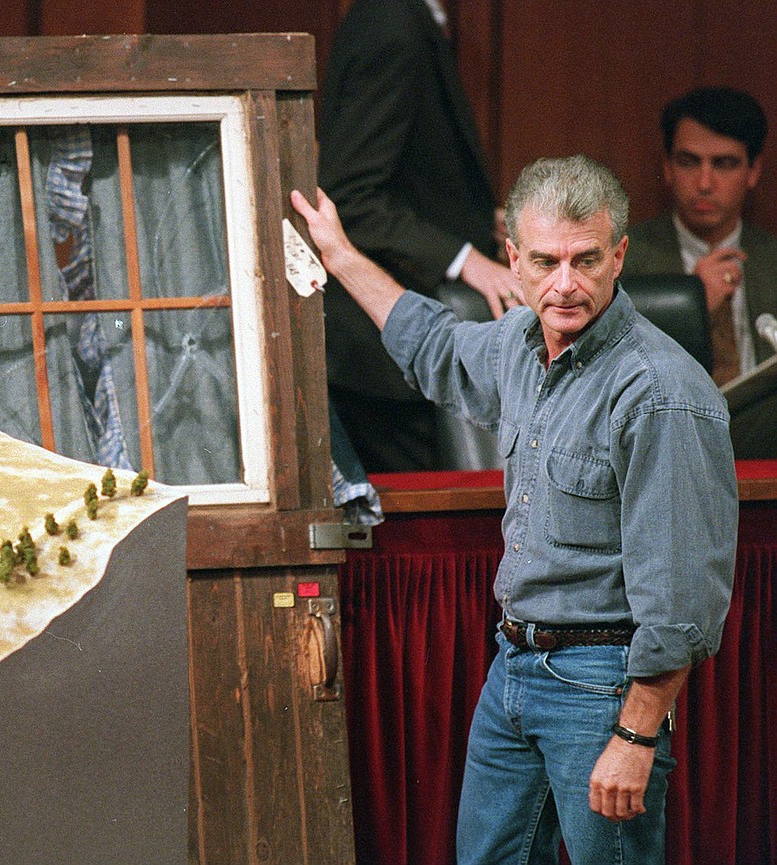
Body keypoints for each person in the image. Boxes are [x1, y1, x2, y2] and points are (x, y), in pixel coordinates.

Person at [291, 154, 737, 864]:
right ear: (513, 261)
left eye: (586, 260)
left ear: (618, 256)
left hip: (604, 685)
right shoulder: (518, 345)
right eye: (545, 261)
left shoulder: (660, 393)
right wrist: (341, 256)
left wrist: (635, 733)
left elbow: (684, 596)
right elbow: (429, 340)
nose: (565, 283)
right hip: (513, 669)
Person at [317, 0, 522, 471]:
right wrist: (466, 257)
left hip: (399, 352)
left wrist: (473, 224)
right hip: (385, 360)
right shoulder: (391, 23)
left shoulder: (398, 19)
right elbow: (349, 196)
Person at [623, 86, 777, 385]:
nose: (705, 183)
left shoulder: (772, 259)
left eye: (724, 164)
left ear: (754, 170)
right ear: (667, 168)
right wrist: (690, 306)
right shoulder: (624, 258)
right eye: (689, 162)